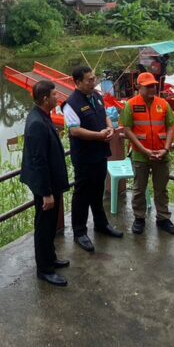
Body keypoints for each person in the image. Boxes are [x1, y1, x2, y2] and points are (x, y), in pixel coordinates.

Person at [63, 66, 124, 252]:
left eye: (94, 78)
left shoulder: (96, 96)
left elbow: (105, 115)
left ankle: (101, 224)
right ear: (78, 82)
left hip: (100, 153)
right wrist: (99, 135)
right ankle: (79, 232)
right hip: (84, 157)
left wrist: (111, 128)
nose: (94, 82)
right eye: (89, 80)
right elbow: (75, 130)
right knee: (82, 194)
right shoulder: (71, 104)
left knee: (98, 191)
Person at [20, 79, 72, 286]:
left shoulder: (42, 116)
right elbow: (38, 161)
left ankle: (50, 257)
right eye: (54, 95)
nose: (57, 97)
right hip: (45, 186)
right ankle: (44, 269)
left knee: (49, 226)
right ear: (45, 98)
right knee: (44, 226)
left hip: (51, 182)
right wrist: (46, 193)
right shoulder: (37, 123)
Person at [120, 72, 174, 236]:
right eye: (148, 86)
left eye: (153, 85)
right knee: (139, 189)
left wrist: (165, 149)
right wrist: (143, 150)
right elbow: (127, 129)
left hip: (162, 154)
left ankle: (163, 218)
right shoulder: (131, 105)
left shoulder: (163, 104)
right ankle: (139, 218)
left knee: (161, 189)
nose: (152, 89)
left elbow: (171, 127)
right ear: (139, 87)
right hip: (140, 155)